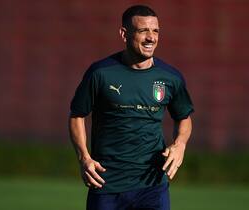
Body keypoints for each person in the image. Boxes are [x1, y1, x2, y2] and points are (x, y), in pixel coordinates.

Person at [69, 5, 194, 210]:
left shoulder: (170, 77)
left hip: (153, 186)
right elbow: (77, 115)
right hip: (106, 184)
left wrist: (180, 144)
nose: (151, 37)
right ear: (124, 34)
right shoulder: (101, 73)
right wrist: (84, 158)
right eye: (143, 30)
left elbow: (184, 117)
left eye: (155, 31)